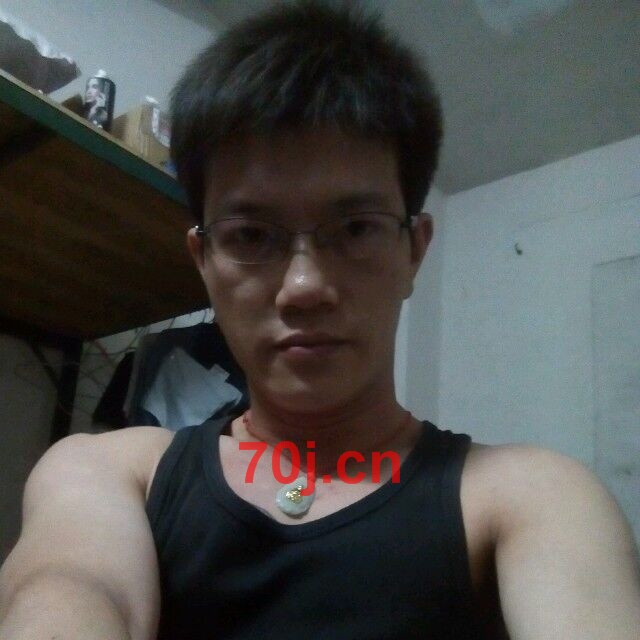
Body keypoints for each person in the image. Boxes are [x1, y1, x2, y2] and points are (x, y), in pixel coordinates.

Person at [1, 1, 639, 638]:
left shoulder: (530, 497)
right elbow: (70, 587)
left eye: (356, 228)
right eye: (252, 235)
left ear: (414, 252)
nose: (304, 288)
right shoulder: (111, 473)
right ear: (204, 261)